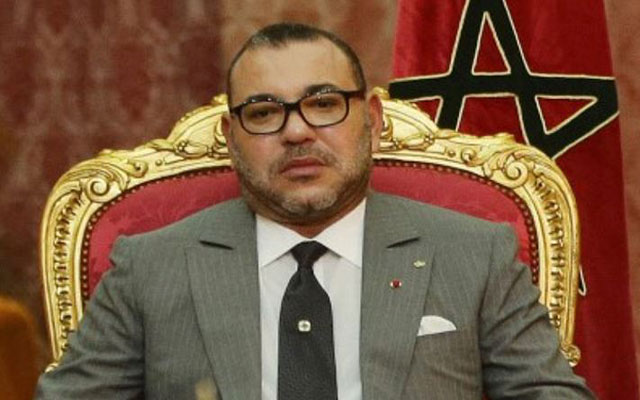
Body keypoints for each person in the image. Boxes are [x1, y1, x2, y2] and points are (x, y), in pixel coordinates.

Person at [35, 22, 594, 399]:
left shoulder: (474, 254)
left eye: (324, 104)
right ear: (230, 135)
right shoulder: (149, 267)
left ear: (373, 119)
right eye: (263, 112)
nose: (297, 132)